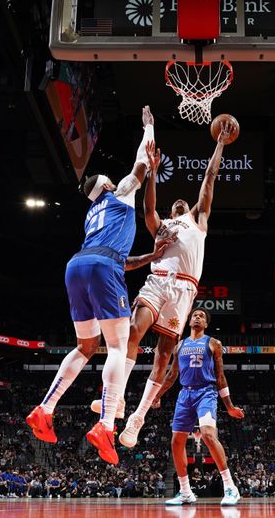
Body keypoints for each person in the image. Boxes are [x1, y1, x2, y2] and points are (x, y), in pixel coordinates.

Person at [26, 106, 173, 465]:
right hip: (102, 267)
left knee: (86, 345)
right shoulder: (119, 192)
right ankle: (105, 423)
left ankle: (46, 408)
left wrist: (151, 258)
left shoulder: (93, 214)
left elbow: (118, 259)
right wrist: (149, 129)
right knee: (119, 347)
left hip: (77, 265)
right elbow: (141, 163)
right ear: (106, 185)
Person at [93, 120, 235, 449]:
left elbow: (210, 178)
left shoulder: (197, 220)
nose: (181, 204)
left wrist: (221, 145)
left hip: (184, 290)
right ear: (171, 210)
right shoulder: (162, 226)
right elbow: (147, 208)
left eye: (185, 204)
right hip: (158, 280)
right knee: (132, 330)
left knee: (163, 357)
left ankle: (138, 418)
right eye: (176, 204)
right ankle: (116, 403)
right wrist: (153, 173)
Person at [152, 309, 244, 506]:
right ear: (189, 321)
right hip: (185, 394)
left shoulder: (213, 343)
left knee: (208, 434)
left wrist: (229, 406)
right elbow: (171, 375)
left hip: (206, 392)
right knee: (176, 442)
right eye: (195, 315)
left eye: (202, 316)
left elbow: (220, 376)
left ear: (206, 324)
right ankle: (185, 492)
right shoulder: (180, 346)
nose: (197, 317)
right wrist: (157, 396)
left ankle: (230, 487)